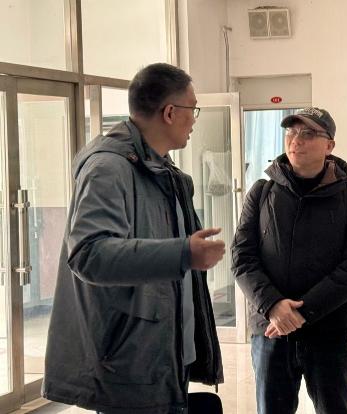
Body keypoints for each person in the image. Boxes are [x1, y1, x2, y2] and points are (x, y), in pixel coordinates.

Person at [42, 63, 225, 414]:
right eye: (192, 109)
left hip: (163, 356)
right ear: (170, 113)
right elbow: (89, 254)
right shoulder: (107, 169)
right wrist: (183, 253)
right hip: (128, 364)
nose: (194, 120)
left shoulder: (164, 171)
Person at [231, 107, 347, 414]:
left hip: (328, 331)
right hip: (271, 330)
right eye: (291, 132)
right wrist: (273, 305)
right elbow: (242, 256)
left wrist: (301, 312)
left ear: (329, 145)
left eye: (308, 133)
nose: (296, 140)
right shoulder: (262, 192)